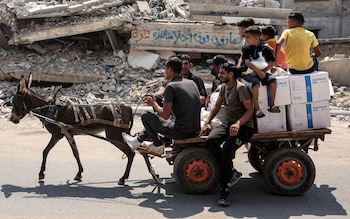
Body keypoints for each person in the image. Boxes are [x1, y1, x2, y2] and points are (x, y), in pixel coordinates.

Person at [122, 57, 201, 155]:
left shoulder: (171, 86)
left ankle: (157, 145)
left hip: (181, 131)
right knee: (156, 118)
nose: (165, 72)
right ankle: (137, 140)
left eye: (166, 69)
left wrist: (153, 104)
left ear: (170, 69)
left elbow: (165, 115)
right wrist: (155, 96)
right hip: (194, 128)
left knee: (146, 116)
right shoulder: (191, 83)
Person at [201, 62, 254, 206]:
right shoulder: (224, 87)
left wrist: (238, 124)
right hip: (229, 124)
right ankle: (230, 171)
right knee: (211, 141)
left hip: (244, 127)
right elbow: (217, 105)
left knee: (226, 152)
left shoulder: (240, 88)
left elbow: (250, 110)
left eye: (222, 73)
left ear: (231, 74)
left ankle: (224, 190)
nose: (219, 75)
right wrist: (207, 122)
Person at [242, 25, 280, 118]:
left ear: (256, 38)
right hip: (249, 73)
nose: (246, 39)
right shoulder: (246, 48)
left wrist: (263, 71)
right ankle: (257, 109)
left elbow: (271, 62)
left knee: (273, 80)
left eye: (248, 37)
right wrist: (258, 72)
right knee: (255, 83)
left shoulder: (265, 48)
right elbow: (247, 62)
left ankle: (272, 105)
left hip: (262, 71)